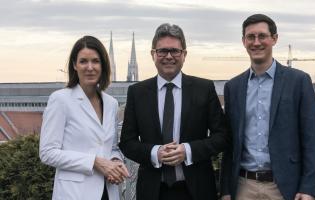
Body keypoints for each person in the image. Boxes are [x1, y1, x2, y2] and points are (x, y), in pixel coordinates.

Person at [119, 23, 229, 200]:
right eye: (162, 51)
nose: (168, 56)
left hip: (197, 191)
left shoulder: (204, 89)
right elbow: (126, 142)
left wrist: (188, 151)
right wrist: (155, 153)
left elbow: (222, 136)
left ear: (184, 54)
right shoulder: (137, 92)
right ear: (153, 54)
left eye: (175, 51)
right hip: (152, 192)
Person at [220, 14, 315, 200]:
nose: (256, 42)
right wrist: (226, 190)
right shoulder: (233, 87)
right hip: (243, 187)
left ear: (274, 39)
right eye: (250, 37)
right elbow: (230, 144)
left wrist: (308, 188)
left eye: (262, 36)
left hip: (283, 188)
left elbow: (311, 138)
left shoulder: (298, 81)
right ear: (243, 41)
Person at [39, 35, 130, 200]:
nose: (90, 67)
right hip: (74, 193)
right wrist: (94, 162)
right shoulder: (60, 100)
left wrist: (115, 161)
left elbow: (112, 147)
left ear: (103, 65)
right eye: (83, 61)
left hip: (108, 191)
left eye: (95, 61)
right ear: (74, 65)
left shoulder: (111, 103)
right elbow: (47, 153)